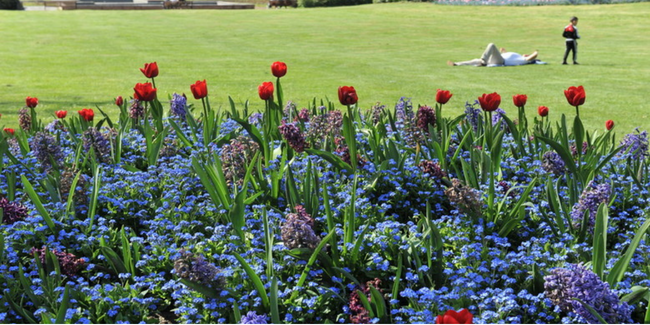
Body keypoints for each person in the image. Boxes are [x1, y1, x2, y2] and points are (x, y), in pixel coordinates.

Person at [447, 43, 539, 67]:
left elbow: (533, 56)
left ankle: (483, 61)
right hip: (499, 58)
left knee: (491, 45)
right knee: (475, 61)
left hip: (501, 61)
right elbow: (507, 55)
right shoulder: (517, 56)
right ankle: (457, 64)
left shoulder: (523, 59)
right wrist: (504, 51)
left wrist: (535, 52)